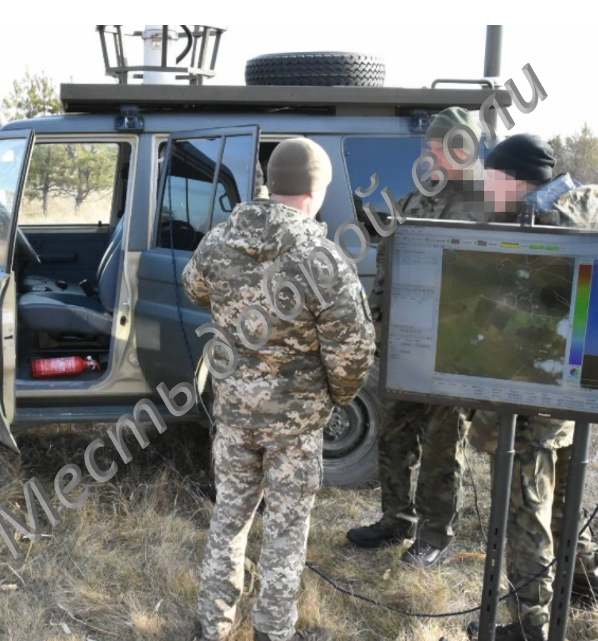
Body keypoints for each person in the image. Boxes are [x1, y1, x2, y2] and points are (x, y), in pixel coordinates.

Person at [184, 138, 375, 641]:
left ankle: (214, 626)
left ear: (272, 182)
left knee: (230, 519)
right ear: (315, 190)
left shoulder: (219, 240)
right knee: (286, 532)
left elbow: (193, 286)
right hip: (295, 426)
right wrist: (336, 397)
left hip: (234, 414)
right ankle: (274, 632)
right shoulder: (323, 259)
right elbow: (352, 353)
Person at [467, 133, 598, 641]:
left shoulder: (540, 228)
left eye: (491, 178)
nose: (486, 187)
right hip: (571, 387)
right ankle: (590, 586)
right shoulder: (577, 211)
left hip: (534, 393)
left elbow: (541, 326)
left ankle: (531, 626)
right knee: (562, 494)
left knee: (527, 512)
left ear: (514, 179)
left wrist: (485, 311)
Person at [347, 107, 485, 567]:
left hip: (454, 351)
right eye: (427, 146)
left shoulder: (491, 205)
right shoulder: (413, 201)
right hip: (406, 344)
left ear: (462, 149)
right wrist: (379, 324)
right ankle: (396, 519)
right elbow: (388, 267)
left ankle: (434, 536)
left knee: (443, 447)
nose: (427, 154)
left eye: (436, 147)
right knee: (393, 434)